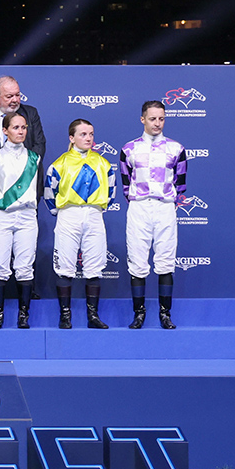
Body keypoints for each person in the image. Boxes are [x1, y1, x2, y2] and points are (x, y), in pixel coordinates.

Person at [121, 100, 187, 330]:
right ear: (143, 119)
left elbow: (180, 183)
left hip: (165, 207)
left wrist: (167, 201)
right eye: (152, 119)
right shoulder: (129, 149)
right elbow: (126, 184)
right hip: (139, 207)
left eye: (161, 119)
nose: (157, 123)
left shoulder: (177, 148)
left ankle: (165, 314)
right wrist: (139, 200)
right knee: (137, 262)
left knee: (166, 262)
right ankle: (139, 314)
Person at [46, 118, 117, 330]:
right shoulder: (59, 163)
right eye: (83, 134)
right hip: (69, 214)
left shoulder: (103, 163)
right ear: (72, 137)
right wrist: (60, 211)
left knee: (94, 267)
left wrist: (97, 208)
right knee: (65, 266)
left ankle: (92, 316)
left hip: (94, 215)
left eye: (91, 134)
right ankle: (65, 316)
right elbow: (49, 193)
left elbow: (111, 191)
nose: (88, 138)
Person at [0, 110, 40, 329]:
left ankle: (23, 316)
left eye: (24, 127)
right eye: (16, 127)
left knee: (25, 267)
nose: (21, 131)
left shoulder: (34, 158)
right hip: (1, 215)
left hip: (27, 216)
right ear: (5, 130)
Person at [0, 75, 47, 160]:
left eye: (17, 95)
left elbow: (39, 144)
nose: (15, 100)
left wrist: (28, 165)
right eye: (9, 96)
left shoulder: (30, 113)